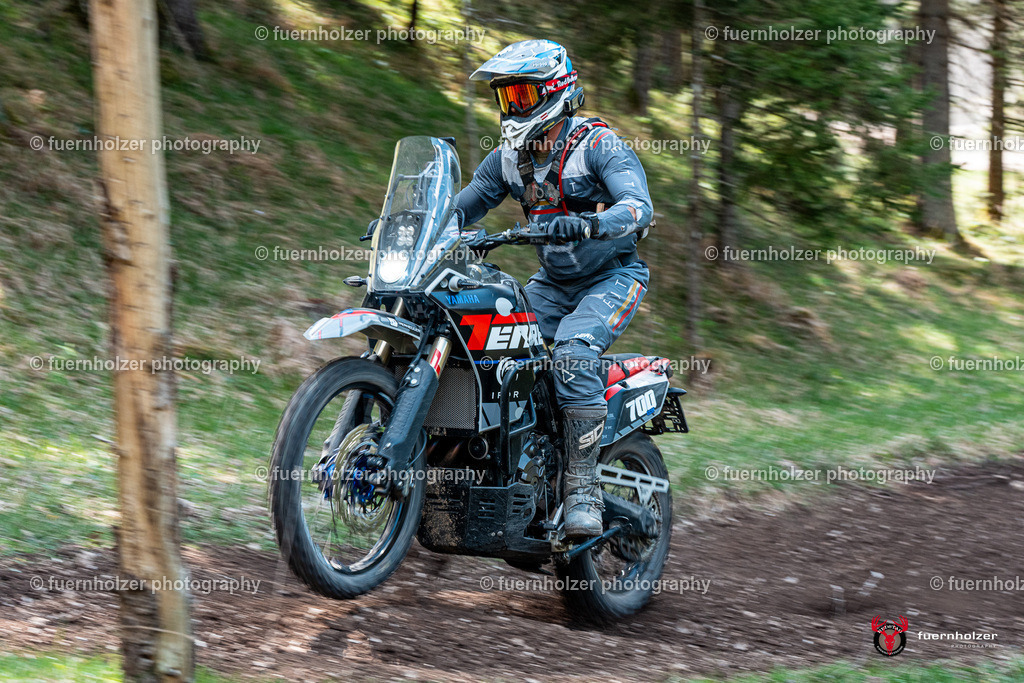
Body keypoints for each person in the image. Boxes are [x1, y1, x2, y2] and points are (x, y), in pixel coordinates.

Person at [454, 39, 655, 538]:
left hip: (612, 278)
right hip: (552, 282)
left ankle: (583, 486)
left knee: (572, 353)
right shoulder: (508, 158)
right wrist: (413, 223)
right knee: (484, 343)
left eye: (522, 96)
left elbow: (639, 208)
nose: (512, 108)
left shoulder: (597, 145)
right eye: (506, 98)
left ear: (555, 92)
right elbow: (464, 205)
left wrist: (590, 225)